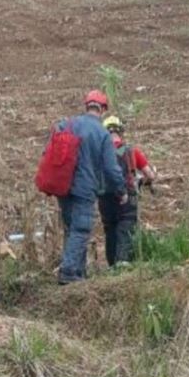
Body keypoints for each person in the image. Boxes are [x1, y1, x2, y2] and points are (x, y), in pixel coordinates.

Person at [55, 90, 128, 284]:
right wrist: (121, 191)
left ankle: (78, 273)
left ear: (87, 106)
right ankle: (69, 271)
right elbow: (111, 169)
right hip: (84, 188)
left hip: (62, 185)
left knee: (71, 229)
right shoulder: (102, 133)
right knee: (81, 229)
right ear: (102, 109)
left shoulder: (67, 124)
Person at [98, 116, 156, 266]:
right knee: (126, 225)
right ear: (121, 132)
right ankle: (123, 263)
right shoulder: (131, 151)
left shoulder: (99, 153)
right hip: (127, 196)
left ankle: (112, 265)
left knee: (110, 229)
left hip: (104, 197)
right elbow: (150, 175)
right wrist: (145, 181)